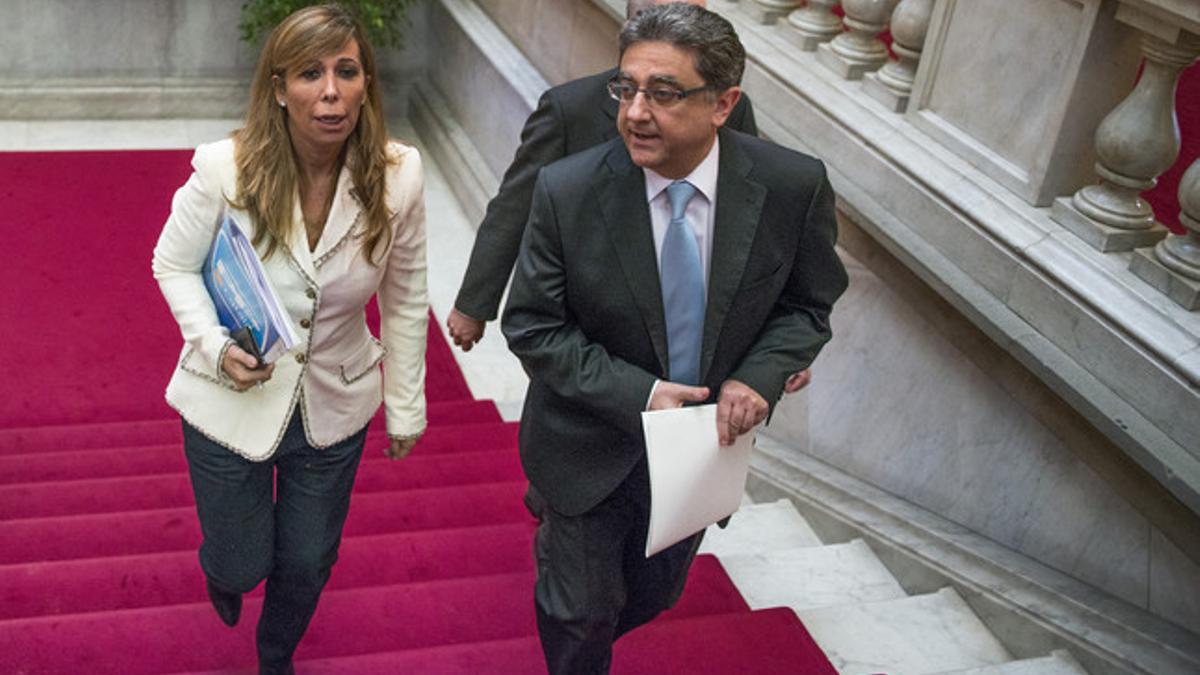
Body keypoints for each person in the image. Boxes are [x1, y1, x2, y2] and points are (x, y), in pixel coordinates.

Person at [501, 4, 848, 673]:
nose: (634, 111)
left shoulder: (790, 187)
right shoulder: (567, 191)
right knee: (580, 612)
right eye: (626, 89)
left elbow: (809, 304)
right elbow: (532, 324)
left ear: (723, 104)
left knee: (654, 596)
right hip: (584, 443)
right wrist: (645, 393)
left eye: (662, 93)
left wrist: (762, 374)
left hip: (698, 457)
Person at [151, 5, 427, 673]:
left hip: (336, 399)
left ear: (367, 84)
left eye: (346, 71)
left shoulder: (399, 175)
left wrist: (407, 404)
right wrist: (214, 344)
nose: (330, 92)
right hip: (230, 394)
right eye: (309, 73)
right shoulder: (226, 168)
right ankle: (222, 567)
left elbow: (406, 294)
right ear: (278, 88)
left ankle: (275, 653)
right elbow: (172, 262)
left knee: (307, 560)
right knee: (243, 560)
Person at [446, 0, 755, 353]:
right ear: (634, 29)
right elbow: (515, 205)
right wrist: (474, 303)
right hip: (590, 328)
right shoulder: (570, 109)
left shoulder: (730, 109)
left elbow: (752, 207)